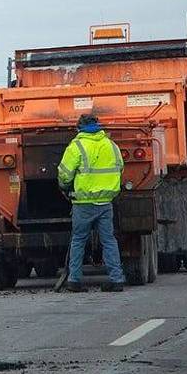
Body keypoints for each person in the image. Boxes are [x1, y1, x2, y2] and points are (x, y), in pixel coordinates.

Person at [57, 114, 126, 293]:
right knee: (109, 240)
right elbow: (120, 167)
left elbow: (64, 174)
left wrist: (65, 187)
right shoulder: (111, 145)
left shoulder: (77, 145)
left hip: (83, 202)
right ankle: (116, 279)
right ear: (98, 126)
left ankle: (74, 280)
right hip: (105, 201)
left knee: (79, 240)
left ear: (79, 128)